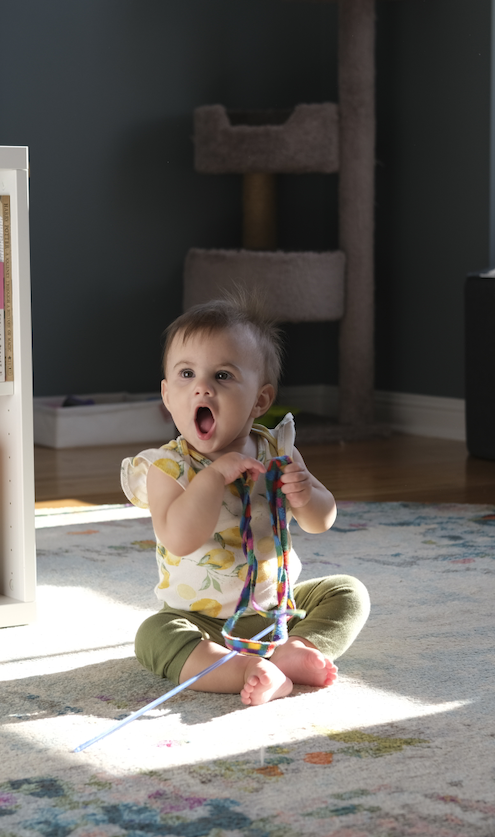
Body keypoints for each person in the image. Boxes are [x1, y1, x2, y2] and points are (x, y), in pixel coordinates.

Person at [121, 293, 369, 705]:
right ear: (167, 396)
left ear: (260, 400)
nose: (202, 386)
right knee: (153, 635)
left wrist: (306, 494)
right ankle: (243, 670)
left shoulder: (277, 450)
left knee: (348, 592)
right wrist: (213, 477)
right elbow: (180, 539)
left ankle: (295, 650)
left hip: (279, 609)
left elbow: (320, 520)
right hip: (199, 620)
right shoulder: (168, 468)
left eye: (222, 376)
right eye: (186, 374)